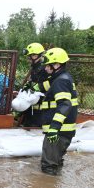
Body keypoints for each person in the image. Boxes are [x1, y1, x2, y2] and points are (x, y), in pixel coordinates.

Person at [39, 47, 78, 176]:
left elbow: (64, 104)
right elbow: (47, 87)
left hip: (58, 133)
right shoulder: (63, 78)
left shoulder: (60, 81)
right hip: (64, 131)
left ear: (56, 64)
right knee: (56, 163)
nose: (45, 68)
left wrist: (54, 127)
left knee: (48, 168)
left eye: (48, 65)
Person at [20, 42, 50, 127]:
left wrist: (35, 88)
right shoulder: (35, 67)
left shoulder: (44, 68)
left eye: (31, 56)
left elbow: (47, 84)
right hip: (35, 101)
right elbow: (33, 81)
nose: (29, 58)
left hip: (42, 103)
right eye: (29, 56)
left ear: (36, 55)